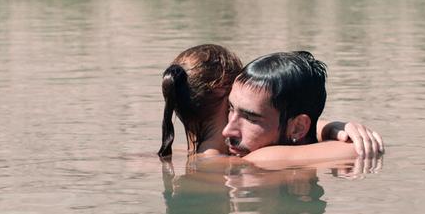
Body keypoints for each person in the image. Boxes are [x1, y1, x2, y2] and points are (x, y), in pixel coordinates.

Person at [159, 44, 383, 161]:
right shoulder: (254, 160)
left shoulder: (185, 154)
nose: (229, 130)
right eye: (231, 108)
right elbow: (356, 150)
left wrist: (330, 127)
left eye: (249, 116)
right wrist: (332, 128)